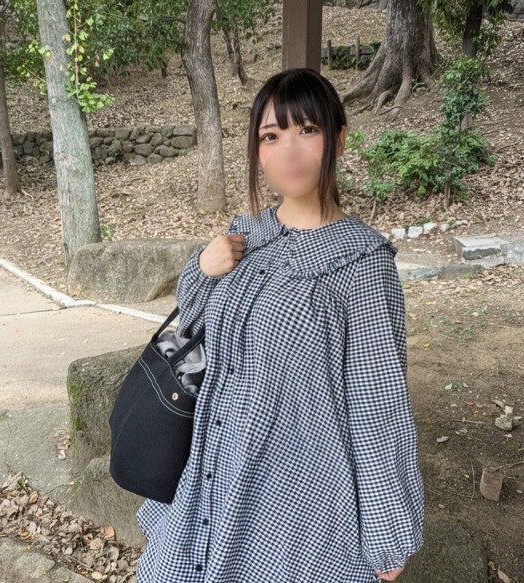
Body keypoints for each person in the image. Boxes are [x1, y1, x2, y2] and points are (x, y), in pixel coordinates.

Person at [134, 67, 425, 583]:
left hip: (295, 491)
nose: (289, 150)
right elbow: (192, 326)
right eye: (271, 136)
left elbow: (377, 402)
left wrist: (387, 532)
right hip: (213, 463)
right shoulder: (245, 235)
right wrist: (201, 268)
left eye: (307, 130)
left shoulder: (362, 263)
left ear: (338, 139)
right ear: (257, 149)